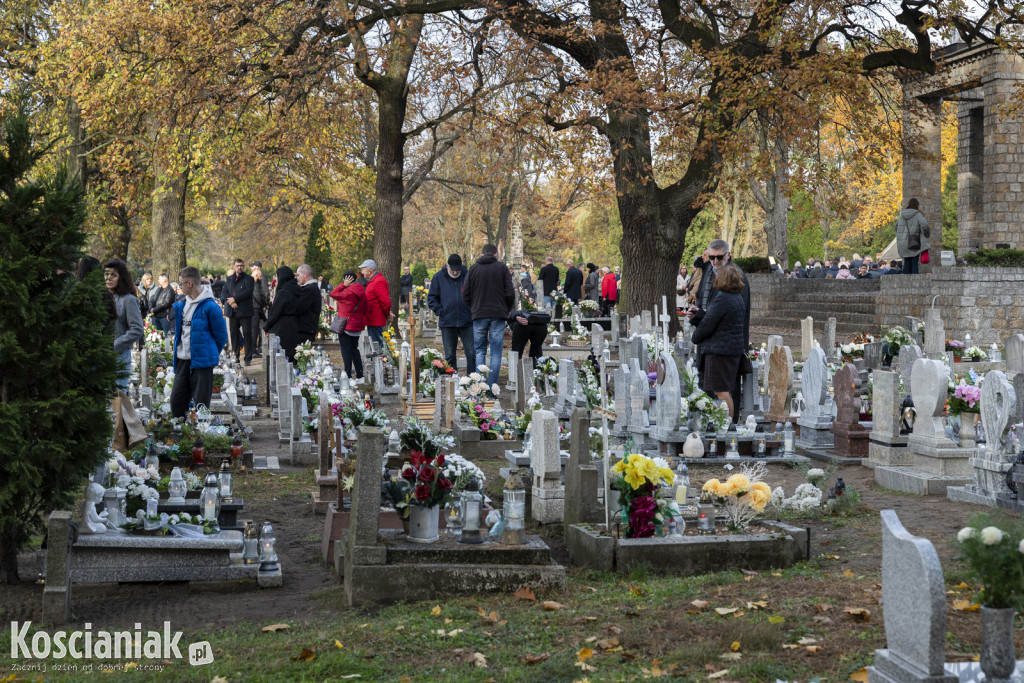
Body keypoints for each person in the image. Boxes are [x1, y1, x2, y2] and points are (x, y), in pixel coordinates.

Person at [690, 239, 750, 421]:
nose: (715, 262)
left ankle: (727, 425)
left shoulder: (732, 281)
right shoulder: (711, 271)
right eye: (712, 257)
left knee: (724, 391)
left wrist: (699, 329)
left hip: (722, 346)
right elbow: (704, 300)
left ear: (728, 255)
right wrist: (700, 312)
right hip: (719, 343)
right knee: (717, 390)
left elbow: (726, 316)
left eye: (719, 257)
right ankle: (717, 423)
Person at [168, 266, 228, 417]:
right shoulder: (182, 304)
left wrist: (208, 352)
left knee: (201, 405)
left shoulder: (210, 307)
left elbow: (221, 336)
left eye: (181, 284)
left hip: (202, 363)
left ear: (190, 284)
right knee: (176, 402)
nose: (179, 287)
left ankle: (200, 437)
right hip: (183, 361)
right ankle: (181, 435)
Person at [462, 243, 514, 386]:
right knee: (496, 352)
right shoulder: (502, 268)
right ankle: (492, 387)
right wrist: (507, 308)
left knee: (480, 351)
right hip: (498, 314)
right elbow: (510, 292)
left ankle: (480, 387)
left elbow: (465, 293)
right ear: (495, 255)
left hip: (479, 314)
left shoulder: (473, 269)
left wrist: (473, 307)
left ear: (482, 254)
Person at [428, 254, 474, 374]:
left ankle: (472, 380)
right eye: (452, 270)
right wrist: (440, 311)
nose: (455, 272)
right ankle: (453, 381)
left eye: (457, 270)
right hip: (447, 322)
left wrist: (472, 311)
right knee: (449, 354)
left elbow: (476, 295)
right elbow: (432, 298)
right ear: (447, 266)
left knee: (471, 352)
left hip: (467, 321)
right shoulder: (439, 277)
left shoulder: (468, 276)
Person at [103, 258, 144, 391]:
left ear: (121, 278)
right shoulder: (101, 297)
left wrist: (115, 344)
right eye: (106, 274)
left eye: (113, 275)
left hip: (119, 355)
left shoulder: (128, 300)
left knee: (117, 398)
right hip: (101, 355)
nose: (108, 278)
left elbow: (137, 329)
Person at [329, 270, 366, 380]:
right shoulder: (362, 291)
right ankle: (360, 375)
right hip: (356, 325)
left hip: (345, 326)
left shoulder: (347, 293)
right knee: (355, 349)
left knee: (346, 350)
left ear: (347, 280)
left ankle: (348, 375)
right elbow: (365, 308)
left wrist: (343, 285)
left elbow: (333, 293)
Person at [264, 266, 303, 361]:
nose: (275, 279)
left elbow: (275, 312)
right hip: (293, 324)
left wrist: (267, 327)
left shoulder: (284, 292)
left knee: (281, 355)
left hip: (282, 326)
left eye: (277, 276)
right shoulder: (295, 288)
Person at [221, 258, 255, 365]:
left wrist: (235, 299)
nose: (239, 267)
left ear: (244, 266)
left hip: (245, 311)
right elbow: (224, 292)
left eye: (241, 265)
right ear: (234, 266)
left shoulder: (249, 279)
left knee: (247, 334)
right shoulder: (229, 279)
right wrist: (231, 302)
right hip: (232, 311)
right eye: (237, 265)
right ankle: (235, 356)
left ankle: (248, 357)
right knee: (234, 335)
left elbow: (248, 292)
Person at [360, 259, 392, 350]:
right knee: (374, 346)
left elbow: (385, 302)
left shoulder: (378, 281)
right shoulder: (374, 281)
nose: (362, 272)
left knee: (377, 346)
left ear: (369, 270)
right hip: (372, 319)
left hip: (376, 319)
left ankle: (381, 363)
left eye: (363, 269)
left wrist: (387, 314)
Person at [897, 197, 930, 275]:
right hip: (914, 241)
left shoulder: (901, 215)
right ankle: (915, 284)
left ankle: (905, 283)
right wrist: (926, 234)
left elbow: (896, 227)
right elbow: (925, 225)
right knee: (914, 263)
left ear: (908, 204)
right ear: (917, 205)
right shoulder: (918, 215)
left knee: (906, 262)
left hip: (903, 243)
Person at [294, 264, 324, 348]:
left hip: (305, 329)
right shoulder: (310, 288)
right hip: (306, 328)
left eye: (298, 274)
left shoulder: (309, 289)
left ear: (305, 274)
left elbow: (298, 308)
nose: (297, 277)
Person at [250, 261, 270, 357]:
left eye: (252, 267)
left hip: (256, 307)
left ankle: (257, 347)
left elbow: (264, 291)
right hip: (256, 308)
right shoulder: (254, 283)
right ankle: (254, 350)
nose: (261, 278)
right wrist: (264, 303)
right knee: (255, 329)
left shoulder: (259, 280)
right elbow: (257, 295)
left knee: (259, 328)